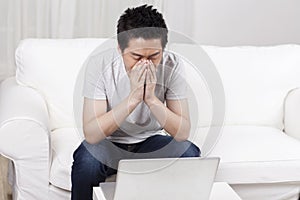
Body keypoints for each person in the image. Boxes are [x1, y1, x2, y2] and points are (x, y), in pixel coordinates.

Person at [71, 4, 200, 200]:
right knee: (87, 161)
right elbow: (92, 134)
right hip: (109, 143)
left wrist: (150, 99)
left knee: (189, 153)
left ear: (163, 50)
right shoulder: (100, 64)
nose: (145, 64)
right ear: (120, 48)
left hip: (150, 142)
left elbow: (182, 132)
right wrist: (133, 99)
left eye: (154, 56)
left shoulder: (172, 65)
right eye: (136, 56)